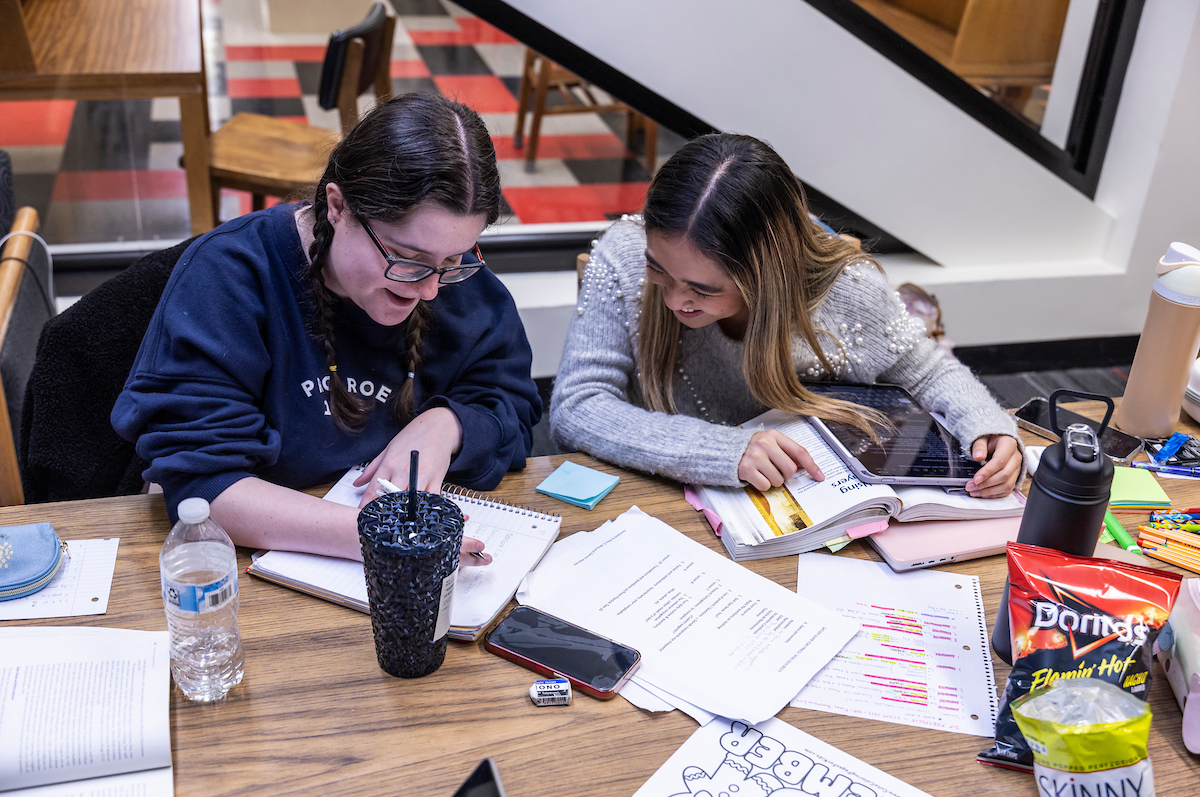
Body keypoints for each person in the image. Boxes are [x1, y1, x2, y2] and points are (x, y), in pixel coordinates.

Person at [113, 92, 542, 564]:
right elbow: (205, 488)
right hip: (252, 569)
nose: (430, 291)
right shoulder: (231, 276)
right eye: (407, 260)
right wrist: (382, 538)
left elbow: (514, 408)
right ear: (338, 207)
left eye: (454, 261)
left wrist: (447, 426)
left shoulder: (457, 285)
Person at [550, 133, 1021, 497]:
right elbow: (577, 405)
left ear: (764, 272)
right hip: (663, 500)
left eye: (702, 289)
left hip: (807, 504)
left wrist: (986, 422)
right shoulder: (624, 255)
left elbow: (927, 371)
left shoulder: (849, 292)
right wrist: (718, 450)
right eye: (660, 270)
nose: (675, 301)